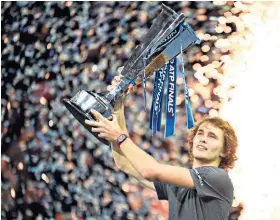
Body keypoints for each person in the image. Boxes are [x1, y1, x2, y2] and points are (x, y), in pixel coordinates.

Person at [85, 76, 238, 220]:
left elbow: (150, 171)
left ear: (225, 151)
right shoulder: (181, 184)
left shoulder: (217, 177)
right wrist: (117, 104)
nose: (203, 139)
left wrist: (119, 137)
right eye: (200, 133)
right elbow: (124, 163)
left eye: (212, 136)